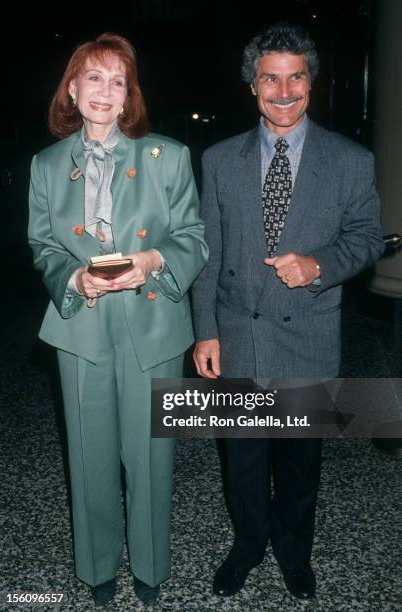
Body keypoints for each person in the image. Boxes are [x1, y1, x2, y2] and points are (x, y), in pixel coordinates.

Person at [192, 22, 383, 600]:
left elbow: (369, 237)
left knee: (300, 465)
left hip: (309, 335)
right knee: (243, 464)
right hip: (237, 335)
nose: (283, 91)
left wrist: (320, 264)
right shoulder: (220, 159)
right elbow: (209, 251)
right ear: (252, 85)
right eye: (270, 78)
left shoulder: (351, 160)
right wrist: (204, 332)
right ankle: (248, 546)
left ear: (311, 82)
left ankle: (294, 553)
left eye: (295, 77)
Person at [28, 33, 208, 607]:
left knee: (152, 457)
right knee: (88, 454)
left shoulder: (169, 156)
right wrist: (72, 278)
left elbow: (193, 240)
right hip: (80, 328)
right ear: (73, 90)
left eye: (117, 81)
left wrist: (154, 261)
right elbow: (42, 245)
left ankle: (152, 568)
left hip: (152, 327)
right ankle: (97, 566)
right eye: (93, 78)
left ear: (130, 96)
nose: (104, 91)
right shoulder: (47, 165)